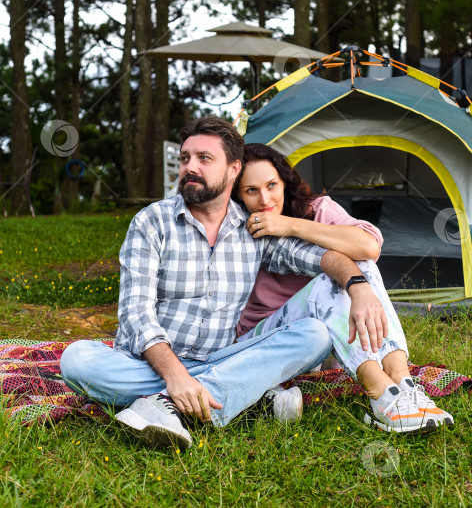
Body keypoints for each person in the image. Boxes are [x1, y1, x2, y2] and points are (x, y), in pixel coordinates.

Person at [60, 117, 389, 450]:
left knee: (315, 335)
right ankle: (242, 397)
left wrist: (359, 284)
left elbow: (321, 258)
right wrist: (176, 376)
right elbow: (135, 314)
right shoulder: (151, 222)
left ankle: (168, 405)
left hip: (221, 358)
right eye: (186, 158)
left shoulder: (252, 229)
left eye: (204, 159)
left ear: (234, 169)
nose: (190, 167)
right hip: (147, 365)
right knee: (77, 360)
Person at [233, 143, 454, 433]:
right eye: (251, 190)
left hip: (323, 337)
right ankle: (380, 393)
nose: (265, 199)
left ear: (285, 181)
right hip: (264, 338)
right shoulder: (239, 225)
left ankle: (402, 382)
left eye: (272, 185)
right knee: (331, 277)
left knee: (361, 267)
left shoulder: (318, 209)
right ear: (238, 194)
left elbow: (368, 246)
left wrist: (290, 225)